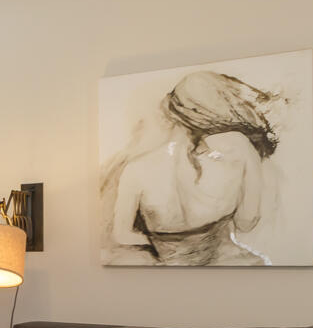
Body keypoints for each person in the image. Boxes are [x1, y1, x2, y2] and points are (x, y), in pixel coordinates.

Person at [102, 69, 280, 265]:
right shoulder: (238, 148)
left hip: (170, 267)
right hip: (230, 264)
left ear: (170, 111)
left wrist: (173, 247)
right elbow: (247, 222)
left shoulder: (136, 168)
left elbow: (123, 235)